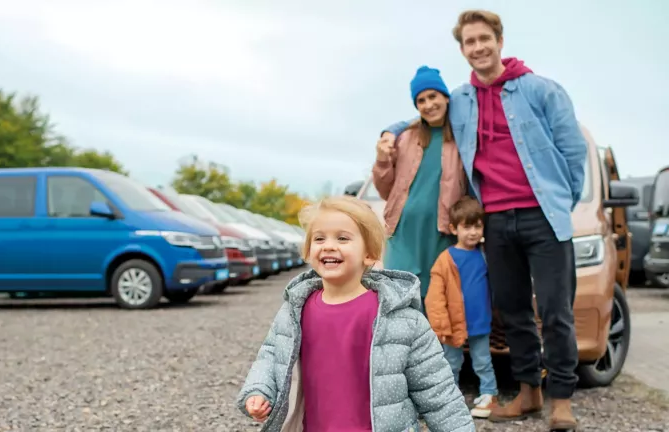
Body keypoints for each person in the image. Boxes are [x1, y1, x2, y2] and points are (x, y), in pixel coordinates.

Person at [380, 9, 588, 431]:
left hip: (543, 217)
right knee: (511, 310)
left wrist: (561, 203)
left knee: (555, 310)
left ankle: (561, 399)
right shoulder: (461, 100)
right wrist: (388, 130)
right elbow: (425, 112)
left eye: (483, 39)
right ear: (462, 50)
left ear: (499, 40)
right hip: (494, 220)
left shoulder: (541, 90)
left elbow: (573, 152)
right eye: (469, 42)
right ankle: (529, 393)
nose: (478, 47)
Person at [236, 196, 474, 432]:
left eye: (342, 238)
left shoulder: (399, 318)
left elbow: (436, 390)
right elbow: (271, 356)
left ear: (369, 254)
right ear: (308, 251)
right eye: (319, 238)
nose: (328, 245)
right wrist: (259, 391)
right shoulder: (294, 310)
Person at [372, 66, 467, 316]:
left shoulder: (461, 137)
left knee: (438, 303)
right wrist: (382, 160)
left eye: (433, 96)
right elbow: (385, 189)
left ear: (446, 98)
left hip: (441, 234)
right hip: (403, 234)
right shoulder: (405, 138)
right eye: (421, 100)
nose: (428, 104)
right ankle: (402, 356)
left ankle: (436, 356)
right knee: (400, 301)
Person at [426, 196, 498, 419]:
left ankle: (489, 393)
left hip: (480, 320)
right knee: (451, 362)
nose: (473, 232)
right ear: (454, 229)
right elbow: (435, 297)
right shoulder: (446, 259)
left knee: (483, 360)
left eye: (477, 226)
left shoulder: (485, 255)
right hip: (453, 323)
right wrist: (440, 325)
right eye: (467, 227)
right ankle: (450, 395)